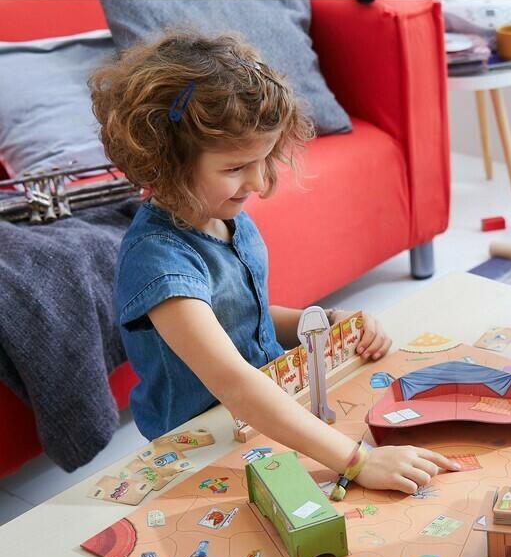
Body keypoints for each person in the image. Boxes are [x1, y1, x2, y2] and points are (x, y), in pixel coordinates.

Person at [90, 32, 455, 493]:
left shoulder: (224, 216)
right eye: (236, 168)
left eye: (265, 161)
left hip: (265, 412)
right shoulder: (160, 265)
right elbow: (234, 383)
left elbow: (246, 319)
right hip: (201, 448)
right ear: (166, 162)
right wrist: (357, 462)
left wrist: (321, 322)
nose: (260, 183)